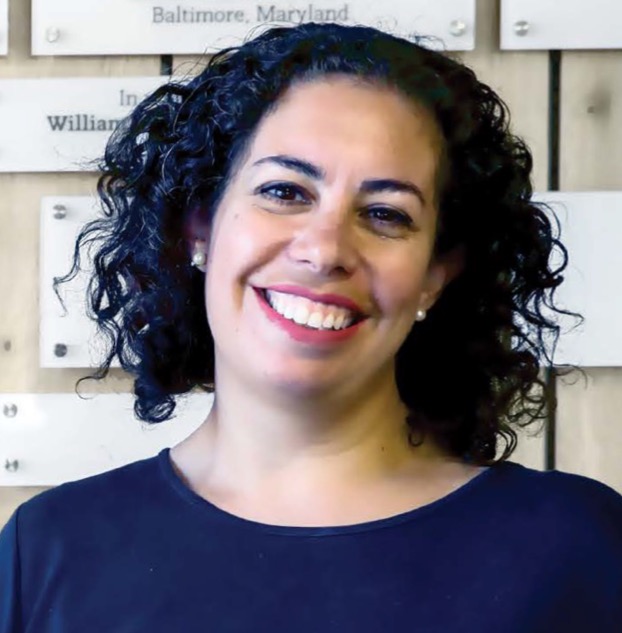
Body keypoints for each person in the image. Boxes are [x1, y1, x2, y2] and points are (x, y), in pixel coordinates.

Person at [1, 22, 621, 632]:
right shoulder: (49, 550)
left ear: (435, 275)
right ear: (200, 228)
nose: (325, 250)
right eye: (285, 191)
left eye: (386, 214)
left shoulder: (578, 546)